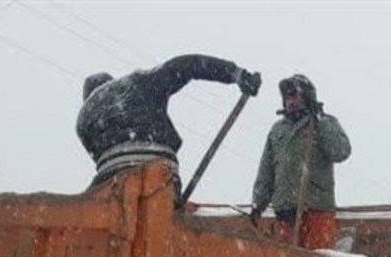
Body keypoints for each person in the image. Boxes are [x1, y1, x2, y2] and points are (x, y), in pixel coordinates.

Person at [76, 55, 261, 193]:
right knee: (163, 213)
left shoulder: (83, 118)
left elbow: (98, 157)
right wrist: (236, 74)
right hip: (159, 168)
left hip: (110, 179)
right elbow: (189, 65)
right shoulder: (139, 82)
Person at [251, 74, 351, 248]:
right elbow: (266, 171)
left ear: (307, 96)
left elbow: (340, 152)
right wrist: (258, 203)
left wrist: (320, 118)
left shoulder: (324, 123)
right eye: (287, 96)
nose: (290, 101)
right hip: (285, 213)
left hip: (317, 210)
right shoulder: (277, 130)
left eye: (295, 95)